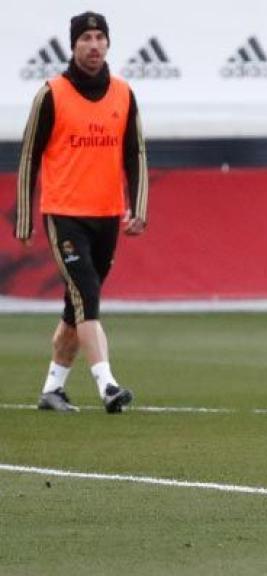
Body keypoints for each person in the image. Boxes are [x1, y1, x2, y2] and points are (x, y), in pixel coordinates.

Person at [15, 11, 149, 414]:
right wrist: (24, 217)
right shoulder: (51, 93)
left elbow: (135, 154)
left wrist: (138, 208)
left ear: (108, 44)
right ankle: (107, 384)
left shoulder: (124, 94)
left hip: (107, 214)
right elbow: (28, 157)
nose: (93, 45)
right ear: (72, 46)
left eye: (99, 37)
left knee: (76, 306)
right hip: (63, 212)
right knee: (87, 293)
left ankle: (52, 389)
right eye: (85, 38)